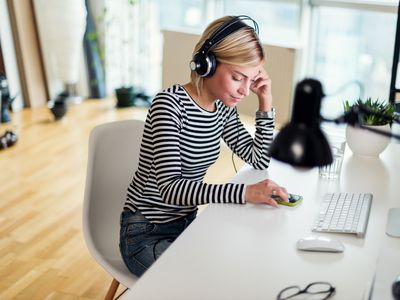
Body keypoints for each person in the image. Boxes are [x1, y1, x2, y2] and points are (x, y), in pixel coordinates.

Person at [119, 15, 289, 277]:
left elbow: (259, 159)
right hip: (145, 234)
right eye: (237, 77)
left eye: (251, 80)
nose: (245, 91)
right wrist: (245, 193)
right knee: (209, 279)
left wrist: (265, 102)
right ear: (206, 64)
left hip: (187, 226)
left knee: (239, 265)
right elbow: (171, 189)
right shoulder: (169, 105)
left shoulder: (222, 108)